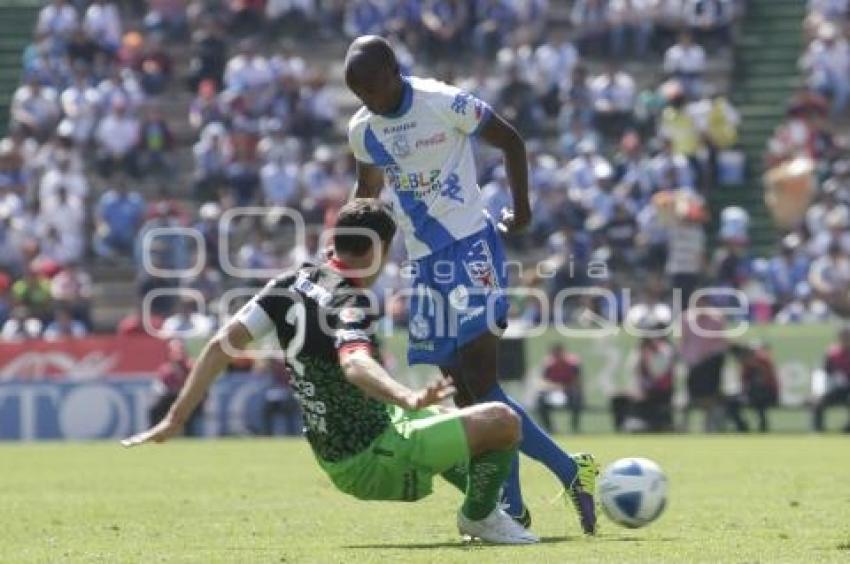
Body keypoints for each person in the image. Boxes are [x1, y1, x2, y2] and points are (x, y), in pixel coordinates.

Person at [123, 200, 538, 544]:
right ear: (377, 250)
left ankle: (494, 509)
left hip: (338, 452)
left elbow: (218, 347)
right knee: (503, 422)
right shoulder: (349, 302)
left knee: (452, 425)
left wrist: (175, 419)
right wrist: (405, 396)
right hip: (374, 453)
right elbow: (355, 364)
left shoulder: (291, 280)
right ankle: (479, 518)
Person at [344, 35, 598, 533]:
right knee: (463, 392)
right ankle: (521, 503)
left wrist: (521, 214)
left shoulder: (443, 102)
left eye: (374, 90)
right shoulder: (364, 129)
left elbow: (511, 140)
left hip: (470, 247)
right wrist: (354, 255)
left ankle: (566, 474)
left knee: (481, 382)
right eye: (361, 97)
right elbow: (368, 191)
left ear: (394, 72)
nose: (370, 102)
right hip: (425, 265)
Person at [726, 342, 779, 433]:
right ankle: (742, 428)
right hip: (753, 394)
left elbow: (764, 382)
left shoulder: (761, 362)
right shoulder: (745, 366)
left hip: (768, 394)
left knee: (758, 398)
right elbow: (745, 385)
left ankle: (763, 426)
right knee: (730, 403)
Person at [536, 343, 584, 434]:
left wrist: (564, 387)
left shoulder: (572, 364)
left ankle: (574, 428)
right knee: (540, 401)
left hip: (568, 392)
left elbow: (577, 381)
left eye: (559, 353)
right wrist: (555, 387)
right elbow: (543, 382)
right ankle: (549, 429)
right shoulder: (548, 365)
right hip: (553, 392)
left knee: (577, 398)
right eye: (555, 354)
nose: (557, 356)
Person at [813, 325, 850, 432]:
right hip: (836, 388)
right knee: (818, 402)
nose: (845, 339)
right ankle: (818, 430)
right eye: (843, 336)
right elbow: (824, 370)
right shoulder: (832, 353)